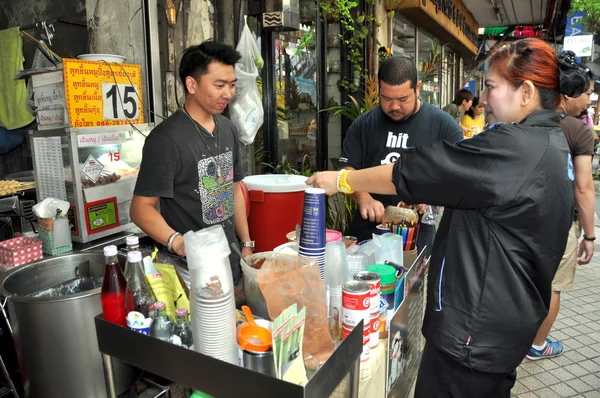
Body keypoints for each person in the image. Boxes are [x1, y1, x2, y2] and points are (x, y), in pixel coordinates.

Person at [307, 38, 575, 397]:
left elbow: (424, 171)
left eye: (492, 87)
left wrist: (343, 180)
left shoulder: (516, 147)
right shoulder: (550, 142)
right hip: (502, 324)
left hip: (473, 334)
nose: (484, 100)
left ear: (525, 92)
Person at [130, 41, 253, 286]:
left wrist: (247, 243)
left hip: (232, 261)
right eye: (219, 85)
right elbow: (140, 208)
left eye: (231, 85)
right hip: (190, 272)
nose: (228, 94)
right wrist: (177, 242)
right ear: (192, 84)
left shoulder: (228, 129)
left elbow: (234, 188)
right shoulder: (165, 140)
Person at [339, 55, 463, 242]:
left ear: (418, 88)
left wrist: (430, 198)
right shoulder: (363, 125)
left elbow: (461, 179)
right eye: (386, 98)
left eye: (403, 99)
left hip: (423, 238)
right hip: (369, 235)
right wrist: (364, 198)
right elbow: (347, 169)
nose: (394, 106)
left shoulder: (444, 126)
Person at [527, 51, 596, 360]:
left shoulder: (526, 120)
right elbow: (583, 188)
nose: (589, 99)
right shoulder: (579, 131)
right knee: (553, 286)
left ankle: (519, 334)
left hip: (523, 216)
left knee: (525, 280)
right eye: (587, 92)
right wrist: (590, 236)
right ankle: (537, 345)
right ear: (568, 94)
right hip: (559, 223)